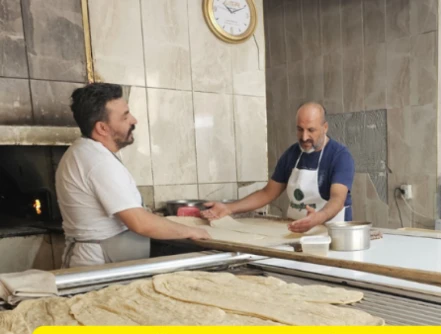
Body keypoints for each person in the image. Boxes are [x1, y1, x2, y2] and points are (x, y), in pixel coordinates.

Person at [56, 83, 210, 268]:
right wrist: (191, 231)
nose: (134, 120)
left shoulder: (85, 152)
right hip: (100, 261)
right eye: (125, 116)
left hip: (106, 255)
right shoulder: (98, 162)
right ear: (102, 128)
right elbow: (140, 223)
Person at [202, 102, 354, 233]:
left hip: (331, 234)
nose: (304, 137)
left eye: (311, 130)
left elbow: (337, 199)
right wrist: (228, 208)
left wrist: (318, 218)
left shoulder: (339, 156)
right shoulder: (292, 154)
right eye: (300, 129)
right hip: (296, 233)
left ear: (325, 127)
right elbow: (267, 193)